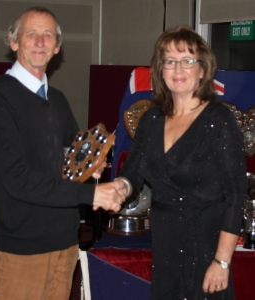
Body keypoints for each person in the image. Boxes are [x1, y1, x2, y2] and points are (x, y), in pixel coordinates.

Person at [0, 6, 126, 300]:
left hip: (66, 244)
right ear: (14, 42)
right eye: (31, 34)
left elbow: (71, 157)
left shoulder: (57, 100)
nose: (40, 42)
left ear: (57, 47)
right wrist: (92, 195)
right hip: (23, 250)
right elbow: (18, 179)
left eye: (48, 36)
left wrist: (92, 165)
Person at [114, 25, 247, 299]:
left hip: (207, 244)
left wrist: (222, 262)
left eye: (187, 61)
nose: (178, 69)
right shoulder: (151, 120)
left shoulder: (219, 120)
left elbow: (235, 196)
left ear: (202, 69)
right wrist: (118, 188)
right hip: (165, 243)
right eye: (170, 61)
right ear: (160, 70)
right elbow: (133, 174)